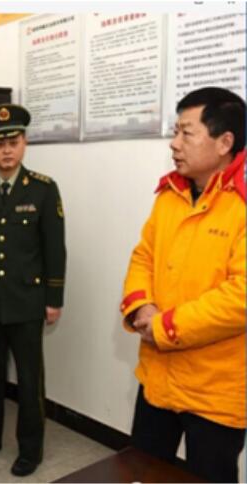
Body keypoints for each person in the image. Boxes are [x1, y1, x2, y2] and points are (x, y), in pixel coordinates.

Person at [121, 87, 245, 483]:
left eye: (186, 133)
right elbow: (143, 256)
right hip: (158, 377)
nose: (174, 144)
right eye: (175, 131)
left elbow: (240, 298)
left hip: (215, 391)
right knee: (142, 473)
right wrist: (142, 309)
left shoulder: (242, 204)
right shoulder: (170, 194)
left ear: (225, 142)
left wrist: (164, 327)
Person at [0, 103, 66, 477]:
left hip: (27, 301)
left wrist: (54, 298)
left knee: (29, 379)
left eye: (14, 142)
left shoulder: (43, 189)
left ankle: (30, 449)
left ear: (24, 143)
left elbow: (55, 249)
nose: (7, 150)